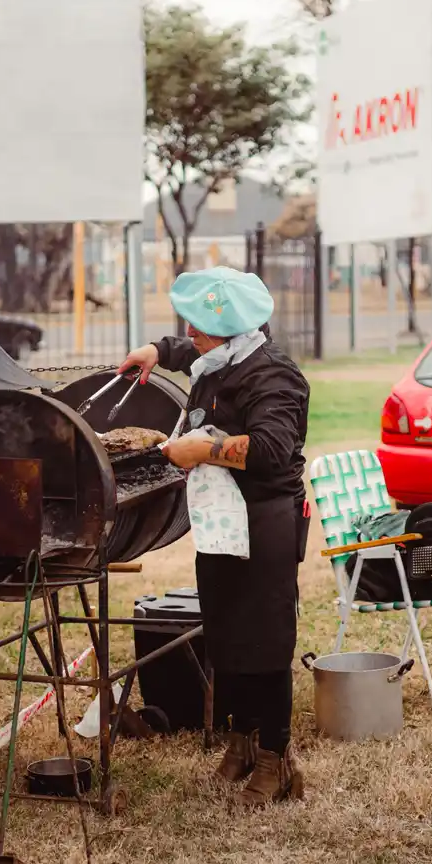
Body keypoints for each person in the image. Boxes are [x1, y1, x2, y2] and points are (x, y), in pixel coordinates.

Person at [119, 267, 311, 808]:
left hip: (264, 519)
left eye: (200, 327)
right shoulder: (218, 357)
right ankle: (241, 738)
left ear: (231, 331)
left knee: (265, 641)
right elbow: (191, 350)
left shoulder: (274, 375)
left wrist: (201, 450)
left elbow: (271, 449)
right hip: (220, 520)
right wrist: (157, 349)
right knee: (226, 632)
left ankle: (276, 757)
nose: (191, 334)